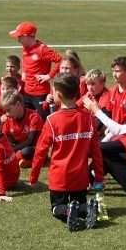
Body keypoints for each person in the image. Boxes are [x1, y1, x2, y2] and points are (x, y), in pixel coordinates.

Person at [28, 73, 104, 230]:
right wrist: (99, 177)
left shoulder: (52, 121)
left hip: (59, 179)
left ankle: (68, 210)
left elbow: (40, 152)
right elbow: (96, 152)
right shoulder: (89, 118)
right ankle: (88, 209)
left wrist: (33, 176)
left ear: (58, 94)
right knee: (80, 204)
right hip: (80, 178)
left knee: (56, 208)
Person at [9, 21, 60, 114]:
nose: (18, 40)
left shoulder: (42, 50)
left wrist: (49, 76)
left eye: (19, 37)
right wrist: (24, 71)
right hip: (27, 92)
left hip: (40, 93)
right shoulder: (25, 47)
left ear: (26, 36)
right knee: (25, 116)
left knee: (43, 118)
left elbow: (62, 60)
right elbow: (24, 58)